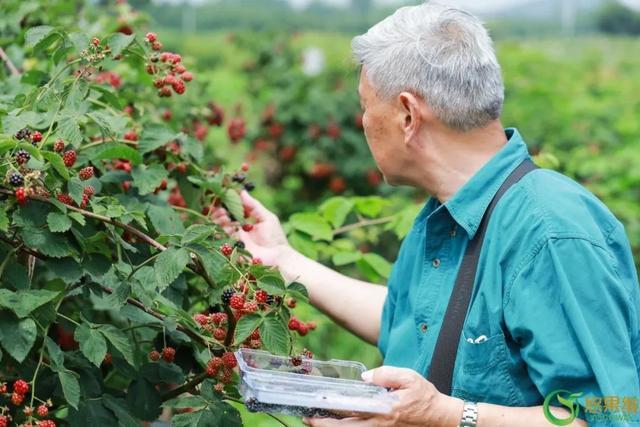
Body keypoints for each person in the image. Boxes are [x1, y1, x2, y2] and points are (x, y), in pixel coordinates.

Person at [213, 2, 640, 426]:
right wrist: (283, 261)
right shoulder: (444, 214)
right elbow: (415, 322)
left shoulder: (552, 232)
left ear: (407, 115)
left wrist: (449, 416)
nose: (362, 122)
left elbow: (612, 414)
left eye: (365, 105)